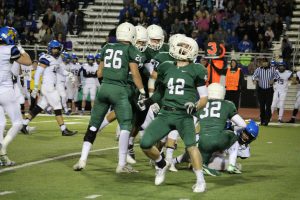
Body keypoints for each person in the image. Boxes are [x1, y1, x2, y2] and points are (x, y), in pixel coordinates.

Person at [73, 22, 145, 173]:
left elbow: (99, 73)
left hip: (104, 88)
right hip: (119, 90)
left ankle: (82, 159)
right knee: (126, 125)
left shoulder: (106, 47)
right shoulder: (130, 49)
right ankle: (121, 163)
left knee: (93, 125)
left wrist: (107, 84)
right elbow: (135, 73)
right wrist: (142, 90)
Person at [139, 36, 208, 193]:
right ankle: (161, 164)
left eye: (186, 46)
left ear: (193, 51)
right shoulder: (166, 66)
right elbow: (160, 92)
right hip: (165, 113)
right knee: (145, 143)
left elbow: (204, 98)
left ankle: (201, 181)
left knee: (191, 147)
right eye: (181, 45)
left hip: (184, 115)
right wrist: (148, 102)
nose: (182, 48)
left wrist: (195, 106)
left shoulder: (197, 70)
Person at [21, 40, 77, 136]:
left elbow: (60, 70)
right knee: (58, 107)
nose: (57, 51)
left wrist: (69, 74)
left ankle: (24, 125)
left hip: (50, 87)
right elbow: (38, 72)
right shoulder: (46, 57)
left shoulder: (57, 59)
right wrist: (35, 87)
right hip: (48, 87)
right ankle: (64, 129)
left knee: (39, 107)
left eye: (58, 49)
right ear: (50, 49)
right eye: (55, 49)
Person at [0, 26, 32, 166]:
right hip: (5, 91)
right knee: (18, 123)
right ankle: (3, 148)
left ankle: (4, 159)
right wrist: (19, 46)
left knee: (1, 123)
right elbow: (28, 61)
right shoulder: (10, 50)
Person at [252, 58, 280, 126]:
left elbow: (278, 76)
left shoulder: (272, 69)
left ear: (268, 63)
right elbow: (253, 76)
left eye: (265, 62)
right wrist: (254, 80)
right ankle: (262, 120)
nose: (264, 63)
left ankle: (267, 120)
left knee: (268, 106)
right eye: (263, 62)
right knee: (261, 106)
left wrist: (273, 80)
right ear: (261, 63)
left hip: (269, 90)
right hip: (261, 90)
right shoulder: (258, 69)